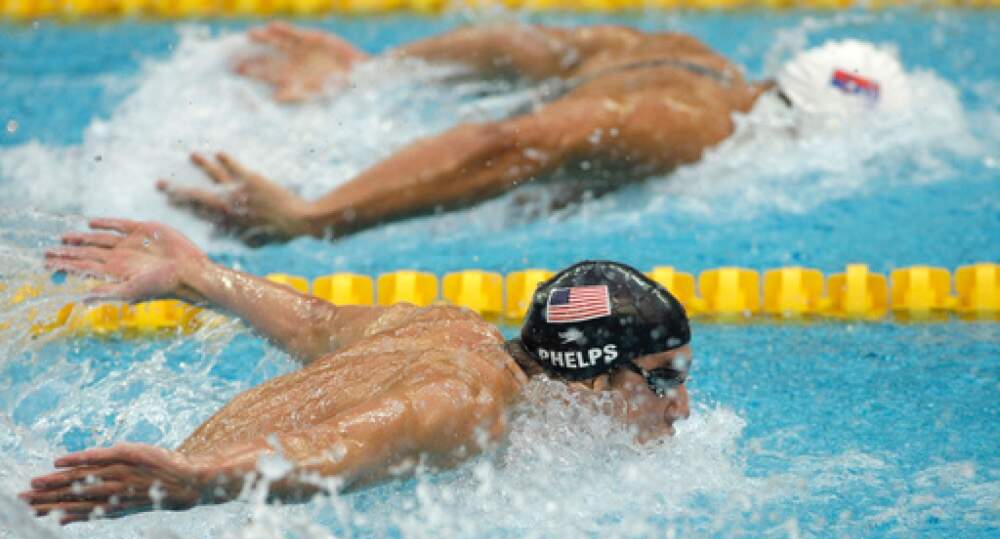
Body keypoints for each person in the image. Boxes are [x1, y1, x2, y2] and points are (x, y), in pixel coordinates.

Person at [19, 218, 693, 523]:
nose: (681, 405)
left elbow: (313, 322)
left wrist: (198, 276)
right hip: (145, 513)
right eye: (664, 377)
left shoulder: (446, 327)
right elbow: (321, 452)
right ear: (594, 378)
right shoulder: (467, 404)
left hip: (133, 492)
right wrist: (195, 482)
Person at [156, 24, 909, 245]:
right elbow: (507, 143)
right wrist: (316, 216)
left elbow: (528, 47)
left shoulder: (694, 56)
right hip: (340, 178)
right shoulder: (691, 129)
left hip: (349, 136)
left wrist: (373, 71)